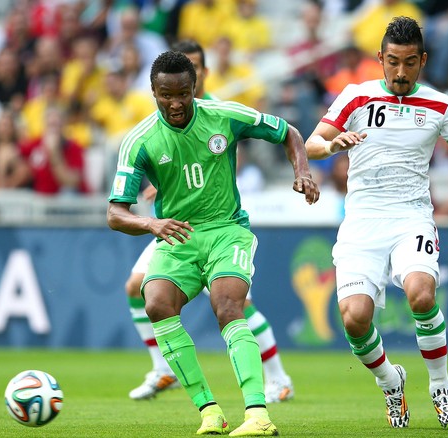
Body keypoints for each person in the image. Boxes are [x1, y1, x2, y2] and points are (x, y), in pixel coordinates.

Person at [304, 16, 448, 429]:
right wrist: (332, 144)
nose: (400, 72)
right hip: (362, 221)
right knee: (354, 318)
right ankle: (391, 382)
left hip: (412, 217)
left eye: (409, 62)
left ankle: (440, 386)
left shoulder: (441, 105)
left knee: (422, 295)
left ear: (422, 60)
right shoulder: (355, 97)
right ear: (380, 60)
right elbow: (312, 142)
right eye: (392, 62)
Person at [107, 50, 319, 436]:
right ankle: (209, 411)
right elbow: (115, 213)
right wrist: (149, 224)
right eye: (165, 94)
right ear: (153, 91)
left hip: (226, 230)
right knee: (154, 303)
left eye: (183, 93)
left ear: (194, 88)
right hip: (177, 234)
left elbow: (287, 131)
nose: (175, 103)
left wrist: (302, 170)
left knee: (227, 306)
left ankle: (258, 414)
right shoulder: (139, 140)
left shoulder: (224, 115)